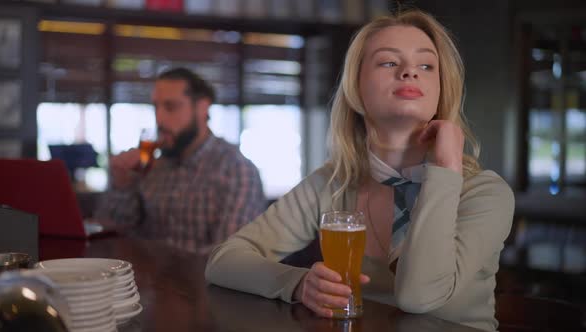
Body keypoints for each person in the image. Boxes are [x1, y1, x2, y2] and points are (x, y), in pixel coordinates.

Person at [205, 9, 514, 332]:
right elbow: (224, 260)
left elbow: (419, 297)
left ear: (441, 88)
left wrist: (446, 170)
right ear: (355, 85)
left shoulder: (485, 194)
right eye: (389, 63)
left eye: (426, 65)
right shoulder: (333, 182)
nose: (410, 72)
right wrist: (299, 283)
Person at [96, 67, 266, 254]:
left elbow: (228, 260)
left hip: (194, 282)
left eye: (171, 107)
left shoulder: (236, 170)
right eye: (156, 107)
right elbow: (110, 233)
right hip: (140, 281)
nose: (159, 119)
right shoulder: (153, 166)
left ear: (202, 107)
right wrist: (122, 184)